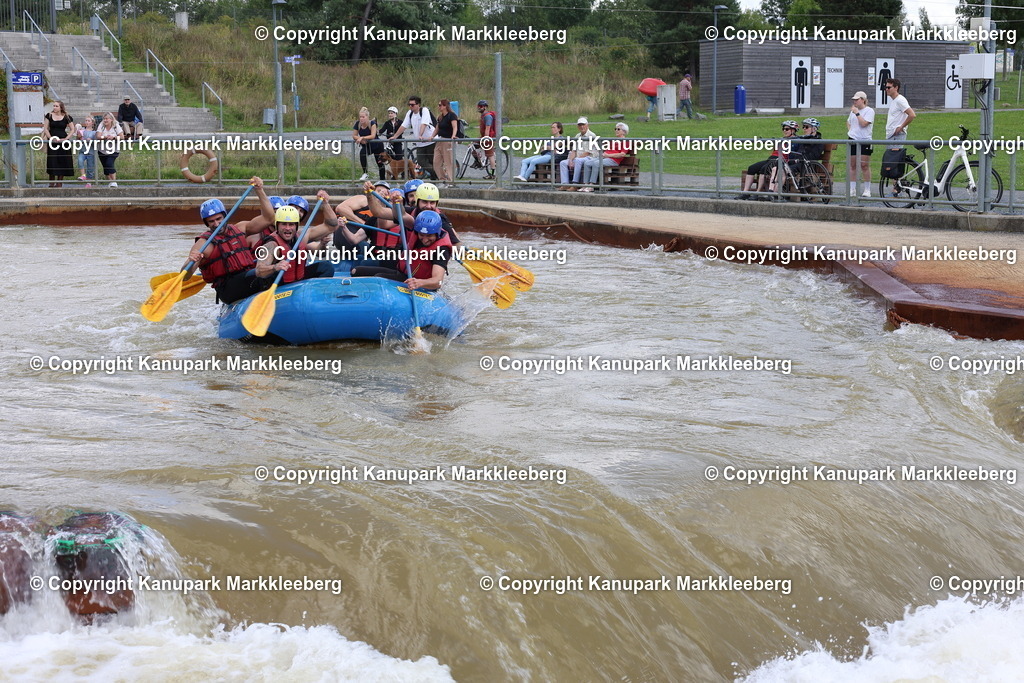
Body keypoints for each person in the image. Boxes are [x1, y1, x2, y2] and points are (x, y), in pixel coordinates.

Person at [187, 178, 276, 303]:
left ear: (225, 216)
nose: (217, 224)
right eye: (211, 221)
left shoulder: (240, 228)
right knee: (266, 274)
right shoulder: (204, 245)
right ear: (206, 223)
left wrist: (259, 190)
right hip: (228, 288)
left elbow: (269, 218)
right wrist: (191, 262)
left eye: (219, 219)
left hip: (247, 275)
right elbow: (186, 275)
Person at [352, 210, 453, 291]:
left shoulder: (441, 250)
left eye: (429, 236)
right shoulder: (416, 230)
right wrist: (397, 202)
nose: (425, 239)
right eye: (422, 235)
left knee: (378, 278)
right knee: (356, 271)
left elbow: (437, 282)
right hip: (403, 273)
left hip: (418, 284)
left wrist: (419, 283)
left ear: (437, 233)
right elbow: (400, 214)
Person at [253, 206, 336, 287]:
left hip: (299, 279)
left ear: (296, 226)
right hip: (281, 286)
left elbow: (332, 226)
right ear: (277, 225)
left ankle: (314, 292)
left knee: (326, 267)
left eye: (291, 224)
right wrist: (275, 267)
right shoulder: (271, 245)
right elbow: (259, 270)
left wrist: (325, 203)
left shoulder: (302, 236)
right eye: (284, 224)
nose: (288, 228)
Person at [738, 120, 796, 200]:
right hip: (771, 158)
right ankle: (745, 193)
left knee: (764, 169)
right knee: (751, 168)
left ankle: (758, 193)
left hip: (780, 160)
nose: (784, 131)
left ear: (793, 130)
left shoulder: (795, 140)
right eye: (783, 129)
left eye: (787, 129)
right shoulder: (781, 139)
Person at [389, 96, 436, 180]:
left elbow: (424, 123)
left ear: (418, 104)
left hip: (430, 141)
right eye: (409, 105)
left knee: (432, 161)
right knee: (421, 161)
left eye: (412, 105)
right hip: (420, 143)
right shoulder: (409, 113)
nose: (410, 106)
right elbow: (404, 125)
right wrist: (395, 136)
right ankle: (437, 174)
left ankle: (435, 177)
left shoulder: (424, 111)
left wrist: (420, 135)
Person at [579, 122, 631, 192]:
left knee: (596, 163)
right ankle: (585, 184)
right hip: (605, 158)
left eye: (618, 129)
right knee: (587, 163)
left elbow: (622, 154)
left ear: (624, 132)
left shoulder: (626, 141)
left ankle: (591, 185)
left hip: (614, 160)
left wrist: (608, 155)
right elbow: (607, 151)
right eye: (615, 129)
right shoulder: (613, 141)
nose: (616, 130)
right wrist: (603, 154)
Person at [558, 117, 599, 191]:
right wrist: (570, 160)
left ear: (587, 125)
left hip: (589, 157)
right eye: (580, 125)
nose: (582, 127)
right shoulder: (577, 136)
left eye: (583, 125)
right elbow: (574, 150)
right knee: (563, 163)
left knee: (577, 161)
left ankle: (575, 184)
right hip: (578, 157)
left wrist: (576, 159)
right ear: (578, 127)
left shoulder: (592, 135)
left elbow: (588, 152)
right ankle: (565, 184)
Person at [847, 91, 875, 197]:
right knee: (852, 165)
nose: (854, 101)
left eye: (857, 99)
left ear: (863, 100)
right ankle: (852, 189)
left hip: (865, 140)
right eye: (854, 100)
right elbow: (848, 122)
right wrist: (851, 132)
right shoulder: (853, 112)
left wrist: (857, 113)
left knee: (864, 165)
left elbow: (864, 124)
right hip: (853, 139)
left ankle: (867, 189)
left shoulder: (869, 111)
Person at [42, 101, 74, 187]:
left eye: (56, 106)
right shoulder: (49, 116)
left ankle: (59, 182)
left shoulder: (66, 117)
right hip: (52, 141)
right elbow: (45, 128)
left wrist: (66, 139)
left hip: (63, 141)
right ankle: (51, 182)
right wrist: (51, 138)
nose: (54, 107)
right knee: (52, 161)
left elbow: (72, 129)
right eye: (54, 106)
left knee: (62, 160)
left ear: (61, 107)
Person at [353, 107, 385, 181]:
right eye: (360, 117)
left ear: (367, 117)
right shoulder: (357, 124)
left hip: (377, 145)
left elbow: (373, 135)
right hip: (367, 145)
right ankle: (365, 173)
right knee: (362, 153)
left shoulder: (372, 123)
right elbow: (354, 135)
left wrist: (362, 138)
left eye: (363, 117)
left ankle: (382, 179)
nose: (361, 119)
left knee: (379, 162)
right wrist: (359, 139)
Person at [432, 99, 459, 186]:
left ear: (445, 106)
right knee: (436, 162)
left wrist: (453, 137)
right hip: (440, 140)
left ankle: (451, 181)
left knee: (448, 162)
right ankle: (442, 179)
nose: (439, 107)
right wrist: (432, 136)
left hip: (447, 140)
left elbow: (455, 127)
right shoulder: (440, 117)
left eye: (440, 105)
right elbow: (437, 128)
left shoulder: (452, 115)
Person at [95, 112, 124, 188]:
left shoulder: (116, 126)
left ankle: (114, 182)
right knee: (105, 168)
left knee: (109, 164)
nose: (105, 120)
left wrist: (113, 137)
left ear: (111, 119)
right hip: (102, 150)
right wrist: (105, 137)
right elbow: (98, 136)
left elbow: (122, 137)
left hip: (113, 149)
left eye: (107, 118)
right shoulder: (101, 125)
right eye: (104, 119)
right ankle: (110, 182)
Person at [75, 114, 97, 187]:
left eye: (88, 121)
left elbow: (97, 140)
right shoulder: (82, 131)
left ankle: (89, 182)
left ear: (92, 123)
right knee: (80, 161)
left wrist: (92, 140)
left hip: (91, 152)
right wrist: (78, 136)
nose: (87, 122)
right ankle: (83, 175)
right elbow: (78, 139)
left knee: (90, 167)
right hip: (83, 150)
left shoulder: (94, 132)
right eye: (86, 120)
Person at [477, 100, 497, 179]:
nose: (479, 108)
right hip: (484, 137)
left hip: (489, 138)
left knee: (490, 155)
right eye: (478, 106)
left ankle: (492, 174)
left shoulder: (488, 116)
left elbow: (487, 129)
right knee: (472, 145)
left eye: (481, 106)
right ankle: (477, 161)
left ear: (485, 107)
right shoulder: (483, 116)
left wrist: (485, 139)